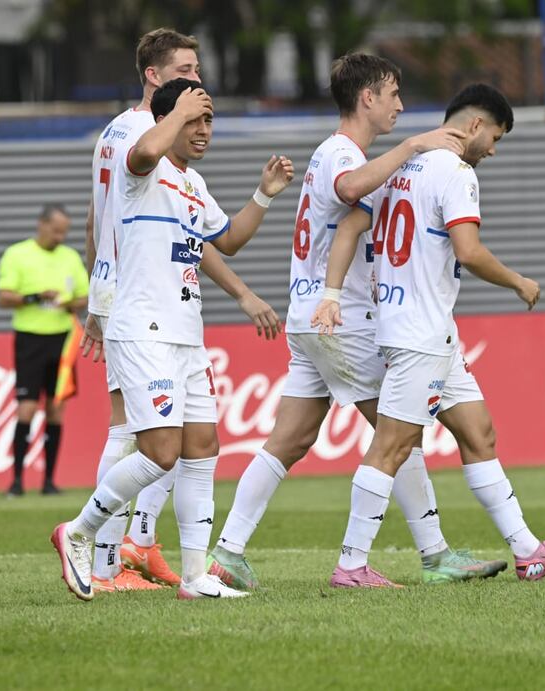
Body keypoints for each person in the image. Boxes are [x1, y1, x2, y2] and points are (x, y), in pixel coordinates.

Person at [207, 53, 507, 591]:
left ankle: (227, 553)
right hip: (339, 318)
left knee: (289, 440)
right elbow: (349, 192)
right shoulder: (343, 153)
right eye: (392, 93)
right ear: (367, 97)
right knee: (400, 435)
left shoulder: (342, 153)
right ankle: (420, 557)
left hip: (311, 317)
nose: (400, 104)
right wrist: (415, 145)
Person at [312, 83, 545, 582]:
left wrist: (333, 293)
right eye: (497, 138)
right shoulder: (456, 171)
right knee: (393, 447)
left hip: (426, 332)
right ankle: (351, 564)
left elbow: (352, 226)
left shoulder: (399, 165)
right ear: (475, 126)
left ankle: (529, 552)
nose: (494, 150)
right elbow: (468, 250)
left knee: (478, 432)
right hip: (418, 335)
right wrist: (517, 281)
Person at [51, 76, 295, 601]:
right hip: (142, 331)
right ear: (169, 120)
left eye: (209, 120)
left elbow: (226, 240)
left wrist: (263, 195)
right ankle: (79, 532)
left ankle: (192, 577)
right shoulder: (142, 169)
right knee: (159, 452)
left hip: (186, 334)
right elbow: (144, 150)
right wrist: (175, 112)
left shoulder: (192, 184)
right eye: (194, 119)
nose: (204, 130)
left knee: (202, 448)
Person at [0, 204, 88, 497]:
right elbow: (4, 296)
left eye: (65, 232)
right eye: (57, 230)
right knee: (26, 407)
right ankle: (17, 480)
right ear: (42, 225)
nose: (61, 237)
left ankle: (49, 480)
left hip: (62, 340)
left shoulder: (70, 257)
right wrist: (35, 297)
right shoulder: (17, 254)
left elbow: (84, 297)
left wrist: (69, 303)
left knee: (56, 409)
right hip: (30, 339)